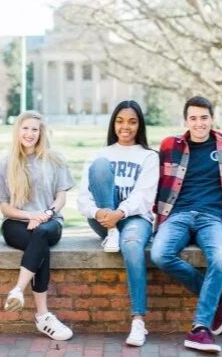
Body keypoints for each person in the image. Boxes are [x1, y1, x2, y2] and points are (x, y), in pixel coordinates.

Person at [150, 96, 222, 353]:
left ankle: (201, 328)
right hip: (177, 215)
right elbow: (158, 184)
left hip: (212, 218)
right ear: (185, 120)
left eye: (204, 117)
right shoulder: (170, 145)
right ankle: (217, 294)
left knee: (220, 258)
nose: (199, 123)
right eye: (193, 118)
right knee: (160, 254)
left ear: (212, 118)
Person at [77, 100, 159, 346]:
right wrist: (101, 213)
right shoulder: (100, 154)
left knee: (132, 245)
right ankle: (111, 233)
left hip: (135, 219)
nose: (126, 127)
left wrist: (119, 213)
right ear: (113, 123)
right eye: (120, 121)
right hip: (103, 220)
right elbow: (82, 199)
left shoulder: (149, 156)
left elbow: (144, 197)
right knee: (100, 167)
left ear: (139, 125)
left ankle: (138, 322)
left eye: (132, 122)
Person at [0, 111, 75, 341]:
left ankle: (18, 290)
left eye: (34, 129)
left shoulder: (54, 159)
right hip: (16, 224)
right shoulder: (6, 164)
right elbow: (4, 208)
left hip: (50, 222)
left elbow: (61, 197)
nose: (30, 133)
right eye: (25, 128)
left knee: (42, 235)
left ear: (41, 132)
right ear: (18, 131)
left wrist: (46, 214)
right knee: (40, 243)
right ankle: (43, 316)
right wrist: (30, 216)